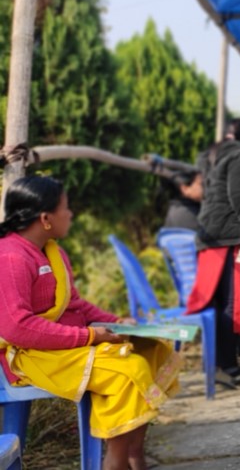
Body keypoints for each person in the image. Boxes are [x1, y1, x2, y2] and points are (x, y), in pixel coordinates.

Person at [0, 176, 181, 470]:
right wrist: (89, 336)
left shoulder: (53, 252)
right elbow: (16, 327)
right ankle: (114, 462)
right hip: (31, 355)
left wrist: (117, 322)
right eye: (65, 208)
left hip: (65, 343)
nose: (70, 214)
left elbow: (74, 304)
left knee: (152, 349)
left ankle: (134, 453)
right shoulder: (11, 257)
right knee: (128, 371)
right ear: (45, 219)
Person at [187, 118, 240, 386]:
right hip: (229, 237)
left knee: (219, 302)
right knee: (230, 302)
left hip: (211, 235)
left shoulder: (210, 155)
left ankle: (221, 363)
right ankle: (227, 366)